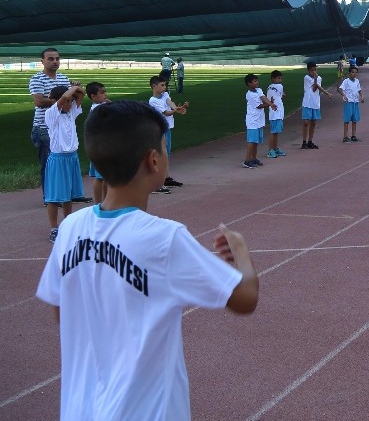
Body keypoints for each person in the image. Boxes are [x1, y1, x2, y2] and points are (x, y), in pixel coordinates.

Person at [36, 99, 259, 421]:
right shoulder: (164, 238)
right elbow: (245, 299)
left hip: (80, 409)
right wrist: (242, 255)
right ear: (154, 160)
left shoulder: (71, 227)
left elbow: (62, 311)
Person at [29, 48, 90, 205]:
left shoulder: (63, 77)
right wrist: (62, 100)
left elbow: (72, 97)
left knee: (66, 161)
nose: (55, 61)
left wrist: (71, 92)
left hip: (62, 124)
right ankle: (49, 198)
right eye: (50, 59)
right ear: (42, 61)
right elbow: (39, 101)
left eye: (57, 58)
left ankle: (68, 194)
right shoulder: (37, 79)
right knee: (49, 164)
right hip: (43, 127)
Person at [43, 84, 86, 243]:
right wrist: (70, 90)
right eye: (68, 102)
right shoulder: (51, 114)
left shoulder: (71, 113)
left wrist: (76, 88)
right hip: (58, 159)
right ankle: (54, 228)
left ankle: (67, 225)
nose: (70, 104)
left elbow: (81, 94)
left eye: (71, 102)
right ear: (55, 101)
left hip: (71, 158)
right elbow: (64, 98)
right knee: (54, 196)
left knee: (68, 195)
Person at [148, 75, 189, 193]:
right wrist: (176, 110)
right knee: (161, 156)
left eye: (165, 85)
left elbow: (170, 103)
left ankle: (166, 178)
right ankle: (156, 183)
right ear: (154, 86)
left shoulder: (164, 95)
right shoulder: (153, 100)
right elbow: (166, 113)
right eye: (162, 85)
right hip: (159, 130)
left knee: (166, 155)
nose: (164, 87)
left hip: (167, 128)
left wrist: (178, 108)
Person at [85, 82, 110, 204]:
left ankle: (105, 202)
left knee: (105, 177)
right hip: (99, 148)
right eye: (102, 92)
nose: (105, 94)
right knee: (100, 177)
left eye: (105, 91)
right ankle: (98, 203)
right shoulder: (97, 109)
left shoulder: (101, 107)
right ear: (93, 96)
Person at [244, 74, 276, 168]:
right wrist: (270, 105)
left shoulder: (259, 90)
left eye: (257, 80)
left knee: (256, 141)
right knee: (252, 141)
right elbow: (259, 106)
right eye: (254, 81)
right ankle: (247, 160)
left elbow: (263, 98)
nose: (257, 82)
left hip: (259, 120)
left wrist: (270, 103)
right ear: (249, 83)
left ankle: (253, 158)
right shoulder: (249, 94)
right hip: (252, 121)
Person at [301, 62, 335, 149]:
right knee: (306, 123)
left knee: (313, 123)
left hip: (315, 103)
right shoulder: (306, 78)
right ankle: (304, 142)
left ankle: (310, 141)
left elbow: (316, 88)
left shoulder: (319, 78)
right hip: (307, 102)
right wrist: (327, 93)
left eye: (315, 69)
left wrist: (316, 78)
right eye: (311, 70)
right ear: (308, 70)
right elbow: (314, 87)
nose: (313, 71)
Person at [339, 66, 365, 142]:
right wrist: (344, 95)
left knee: (354, 120)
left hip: (355, 102)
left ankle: (353, 135)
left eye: (355, 72)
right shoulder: (346, 81)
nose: (354, 74)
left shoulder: (357, 81)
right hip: (349, 102)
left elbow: (359, 90)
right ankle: (345, 136)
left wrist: (361, 96)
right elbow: (340, 89)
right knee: (347, 120)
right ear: (349, 73)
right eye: (353, 72)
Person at [266, 70, 286, 158]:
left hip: (274, 111)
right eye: (278, 78)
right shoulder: (280, 86)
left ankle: (275, 148)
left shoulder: (269, 87)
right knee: (273, 132)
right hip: (277, 111)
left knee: (276, 131)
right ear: (273, 78)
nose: (280, 80)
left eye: (281, 78)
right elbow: (282, 95)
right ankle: (270, 150)